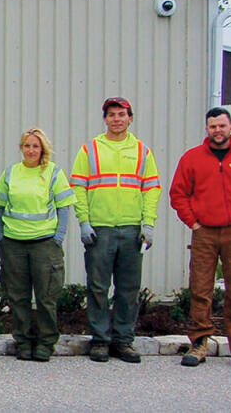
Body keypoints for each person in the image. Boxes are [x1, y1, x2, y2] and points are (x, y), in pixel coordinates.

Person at [169, 107, 231, 371]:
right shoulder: (192, 158)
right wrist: (193, 221)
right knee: (200, 289)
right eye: (213, 126)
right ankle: (199, 343)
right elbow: (178, 193)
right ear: (207, 129)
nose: (218, 130)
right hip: (204, 232)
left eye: (222, 126)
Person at [69, 96, 160, 363]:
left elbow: (151, 188)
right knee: (97, 287)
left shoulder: (143, 151)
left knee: (128, 288)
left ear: (130, 118)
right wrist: (84, 221)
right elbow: (78, 186)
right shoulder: (90, 150)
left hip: (132, 229)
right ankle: (100, 340)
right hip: (100, 229)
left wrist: (148, 224)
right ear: (105, 119)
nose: (116, 119)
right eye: (111, 114)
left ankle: (123, 341)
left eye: (121, 114)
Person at [0, 128, 75, 362]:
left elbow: (64, 207)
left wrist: (58, 237)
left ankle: (46, 342)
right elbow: (0, 206)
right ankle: (24, 341)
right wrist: (0, 235)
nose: (31, 150)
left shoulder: (53, 172)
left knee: (46, 296)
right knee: (17, 296)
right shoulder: (11, 173)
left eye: (36, 146)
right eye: (27, 146)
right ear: (21, 148)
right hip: (14, 243)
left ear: (43, 149)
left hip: (44, 244)